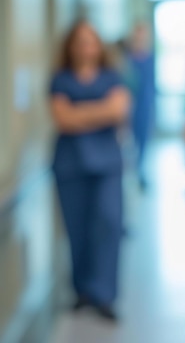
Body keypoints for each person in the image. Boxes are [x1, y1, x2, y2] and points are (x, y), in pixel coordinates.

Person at [48, 18, 130, 322]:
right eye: (80, 41)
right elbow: (62, 119)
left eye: (91, 40)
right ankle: (82, 291)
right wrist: (100, 112)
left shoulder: (112, 77)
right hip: (70, 166)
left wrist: (78, 112)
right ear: (70, 47)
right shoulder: (60, 79)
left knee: (109, 224)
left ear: (99, 46)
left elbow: (118, 110)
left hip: (107, 165)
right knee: (77, 229)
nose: (86, 47)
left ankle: (105, 295)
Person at [124, 21, 156, 191]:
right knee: (130, 142)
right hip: (130, 107)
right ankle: (131, 173)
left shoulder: (150, 58)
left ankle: (141, 173)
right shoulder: (126, 60)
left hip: (145, 106)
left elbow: (152, 86)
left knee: (143, 142)